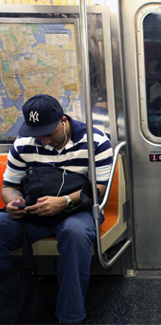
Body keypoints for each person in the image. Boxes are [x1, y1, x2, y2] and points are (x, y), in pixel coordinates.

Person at [0, 94, 113, 324]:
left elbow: (99, 189)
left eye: (49, 134)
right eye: (37, 135)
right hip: (35, 212)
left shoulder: (95, 141)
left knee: (75, 234)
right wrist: (15, 201)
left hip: (77, 208)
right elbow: (10, 185)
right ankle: (8, 307)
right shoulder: (23, 144)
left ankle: (70, 317)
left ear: (63, 120)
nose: (44, 141)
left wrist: (64, 201)